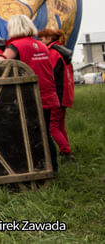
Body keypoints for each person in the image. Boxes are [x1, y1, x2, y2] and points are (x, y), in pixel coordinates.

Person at [0, 14, 60, 172]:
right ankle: (52, 168)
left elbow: (1, 64)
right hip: (47, 96)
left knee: (24, 134)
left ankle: (29, 170)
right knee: (45, 134)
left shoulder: (15, 46)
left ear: (14, 28)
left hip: (28, 98)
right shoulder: (41, 46)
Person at [38, 28, 77, 162]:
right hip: (66, 94)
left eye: (42, 39)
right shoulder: (62, 51)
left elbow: (50, 74)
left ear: (49, 39)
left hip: (57, 95)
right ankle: (66, 150)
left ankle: (66, 152)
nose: (40, 42)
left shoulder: (53, 53)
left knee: (52, 126)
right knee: (60, 125)